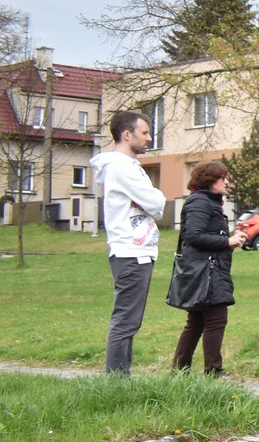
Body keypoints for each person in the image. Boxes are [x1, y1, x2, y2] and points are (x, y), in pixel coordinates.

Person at [90, 110, 165, 375]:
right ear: (126, 134)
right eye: (144, 132)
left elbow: (154, 205)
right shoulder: (121, 167)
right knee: (126, 320)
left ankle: (120, 378)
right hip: (131, 253)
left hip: (138, 251)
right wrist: (153, 199)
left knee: (130, 320)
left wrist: (152, 201)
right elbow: (157, 203)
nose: (149, 138)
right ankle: (117, 380)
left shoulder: (127, 167)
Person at [167, 160, 246, 375]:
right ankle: (213, 372)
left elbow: (205, 236)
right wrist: (227, 241)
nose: (227, 182)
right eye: (223, 178)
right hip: (206, 274)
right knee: (216, 320)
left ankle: (179, 372)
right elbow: (193, 236)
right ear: (209, 180)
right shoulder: (200, 203)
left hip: (210, 270)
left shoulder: (208, 202)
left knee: (196, 322)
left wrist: (230, 242)